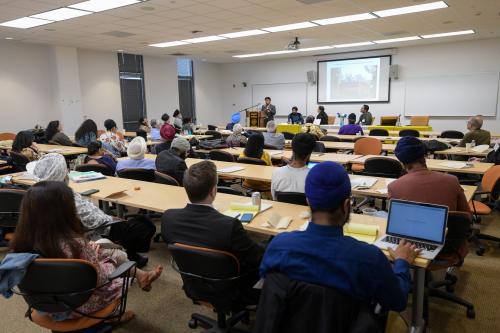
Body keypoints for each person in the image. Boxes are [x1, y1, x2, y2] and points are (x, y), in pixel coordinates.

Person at [260, 161, 419, 312]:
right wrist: (402, 263)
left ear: (308, 201)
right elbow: (398, 302)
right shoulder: (369, 258)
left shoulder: (278, 246)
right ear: (346, 205)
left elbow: (269, 283)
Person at [10, 181, 162, 322]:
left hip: (44, 304)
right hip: (81, 306)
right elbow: (101, 280)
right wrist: (96, 257)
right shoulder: (77, 244)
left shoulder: (19, 245)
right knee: (111, 260)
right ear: (65, 212)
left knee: (102, 249)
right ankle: (111, 315)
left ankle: (142, 276)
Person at [161, 161, 264, 305]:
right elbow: (258, 258)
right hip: (233, 288)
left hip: (194, 285)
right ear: (213, 191)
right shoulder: (229, 225)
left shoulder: (168, 218)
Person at [28, 153, 156, 267]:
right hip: (98, 229)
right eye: (66, 170)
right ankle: (131, 257)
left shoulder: (38, 196)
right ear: (61, 174)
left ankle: (127, 253)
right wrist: (112, 219)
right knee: (144, 224)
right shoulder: (68, 199)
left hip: (72, 234)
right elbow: (95, 221)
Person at [388, 137, 469, 212]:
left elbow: (396, 218)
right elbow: (466, 215)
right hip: (447, 227)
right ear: (425, 155)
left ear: (401, 161)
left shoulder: (394, 187)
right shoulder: (452, 180)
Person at [271, 133, 316, 200]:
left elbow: (274, 198)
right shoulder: (314, 177)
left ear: (292, 149)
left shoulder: (276, 172)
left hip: (281, 209)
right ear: (309, 154)